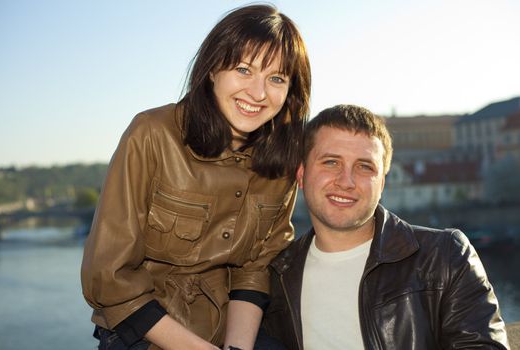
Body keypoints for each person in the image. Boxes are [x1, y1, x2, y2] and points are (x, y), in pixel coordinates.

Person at [81, 4, 311, 350]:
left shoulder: (279, 161)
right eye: (244, 70)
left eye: (276, 78)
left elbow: (255, 267)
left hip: (230, 328)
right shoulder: (152, 134)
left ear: (290, 91)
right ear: (212, 70)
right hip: (145, 331)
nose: (258, 93)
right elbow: (109, 278)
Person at [261, 104, 510, 349]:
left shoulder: (444, 257)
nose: (346, 181)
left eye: (364, 166)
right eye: (331, 162)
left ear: (381, 184)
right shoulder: (276, 274)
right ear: (301, 175)